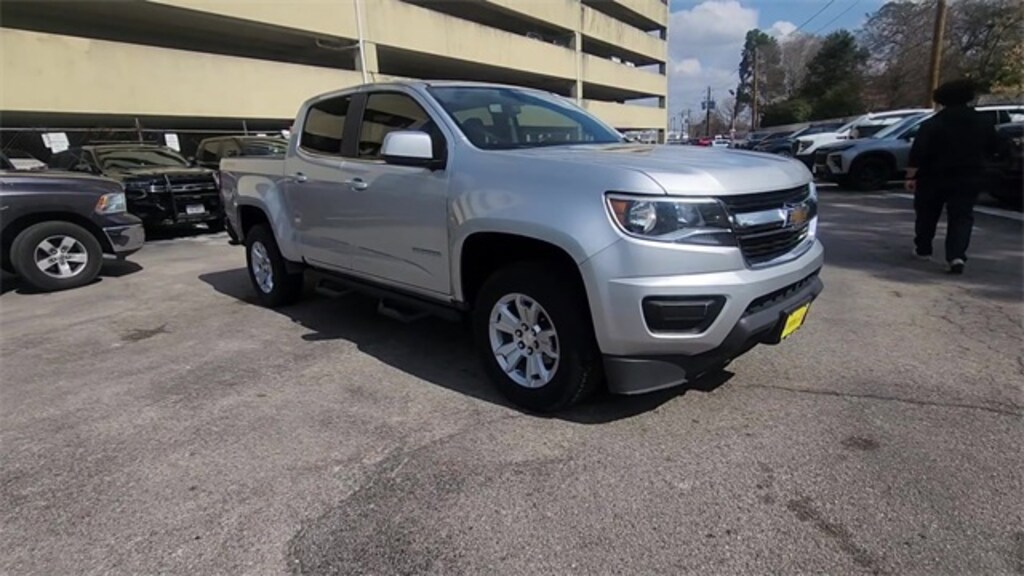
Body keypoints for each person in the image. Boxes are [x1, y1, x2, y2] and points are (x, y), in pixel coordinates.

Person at [906, 79, 1000, 274]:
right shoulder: (984, 122)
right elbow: (994, 147)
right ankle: (956, 255)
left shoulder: (933, 123)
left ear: (941, 99)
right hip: (969, 175)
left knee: (927, 213)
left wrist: (911, 176)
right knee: (962, 216)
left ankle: (923, 248)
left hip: (933, 176)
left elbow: (919, 151)